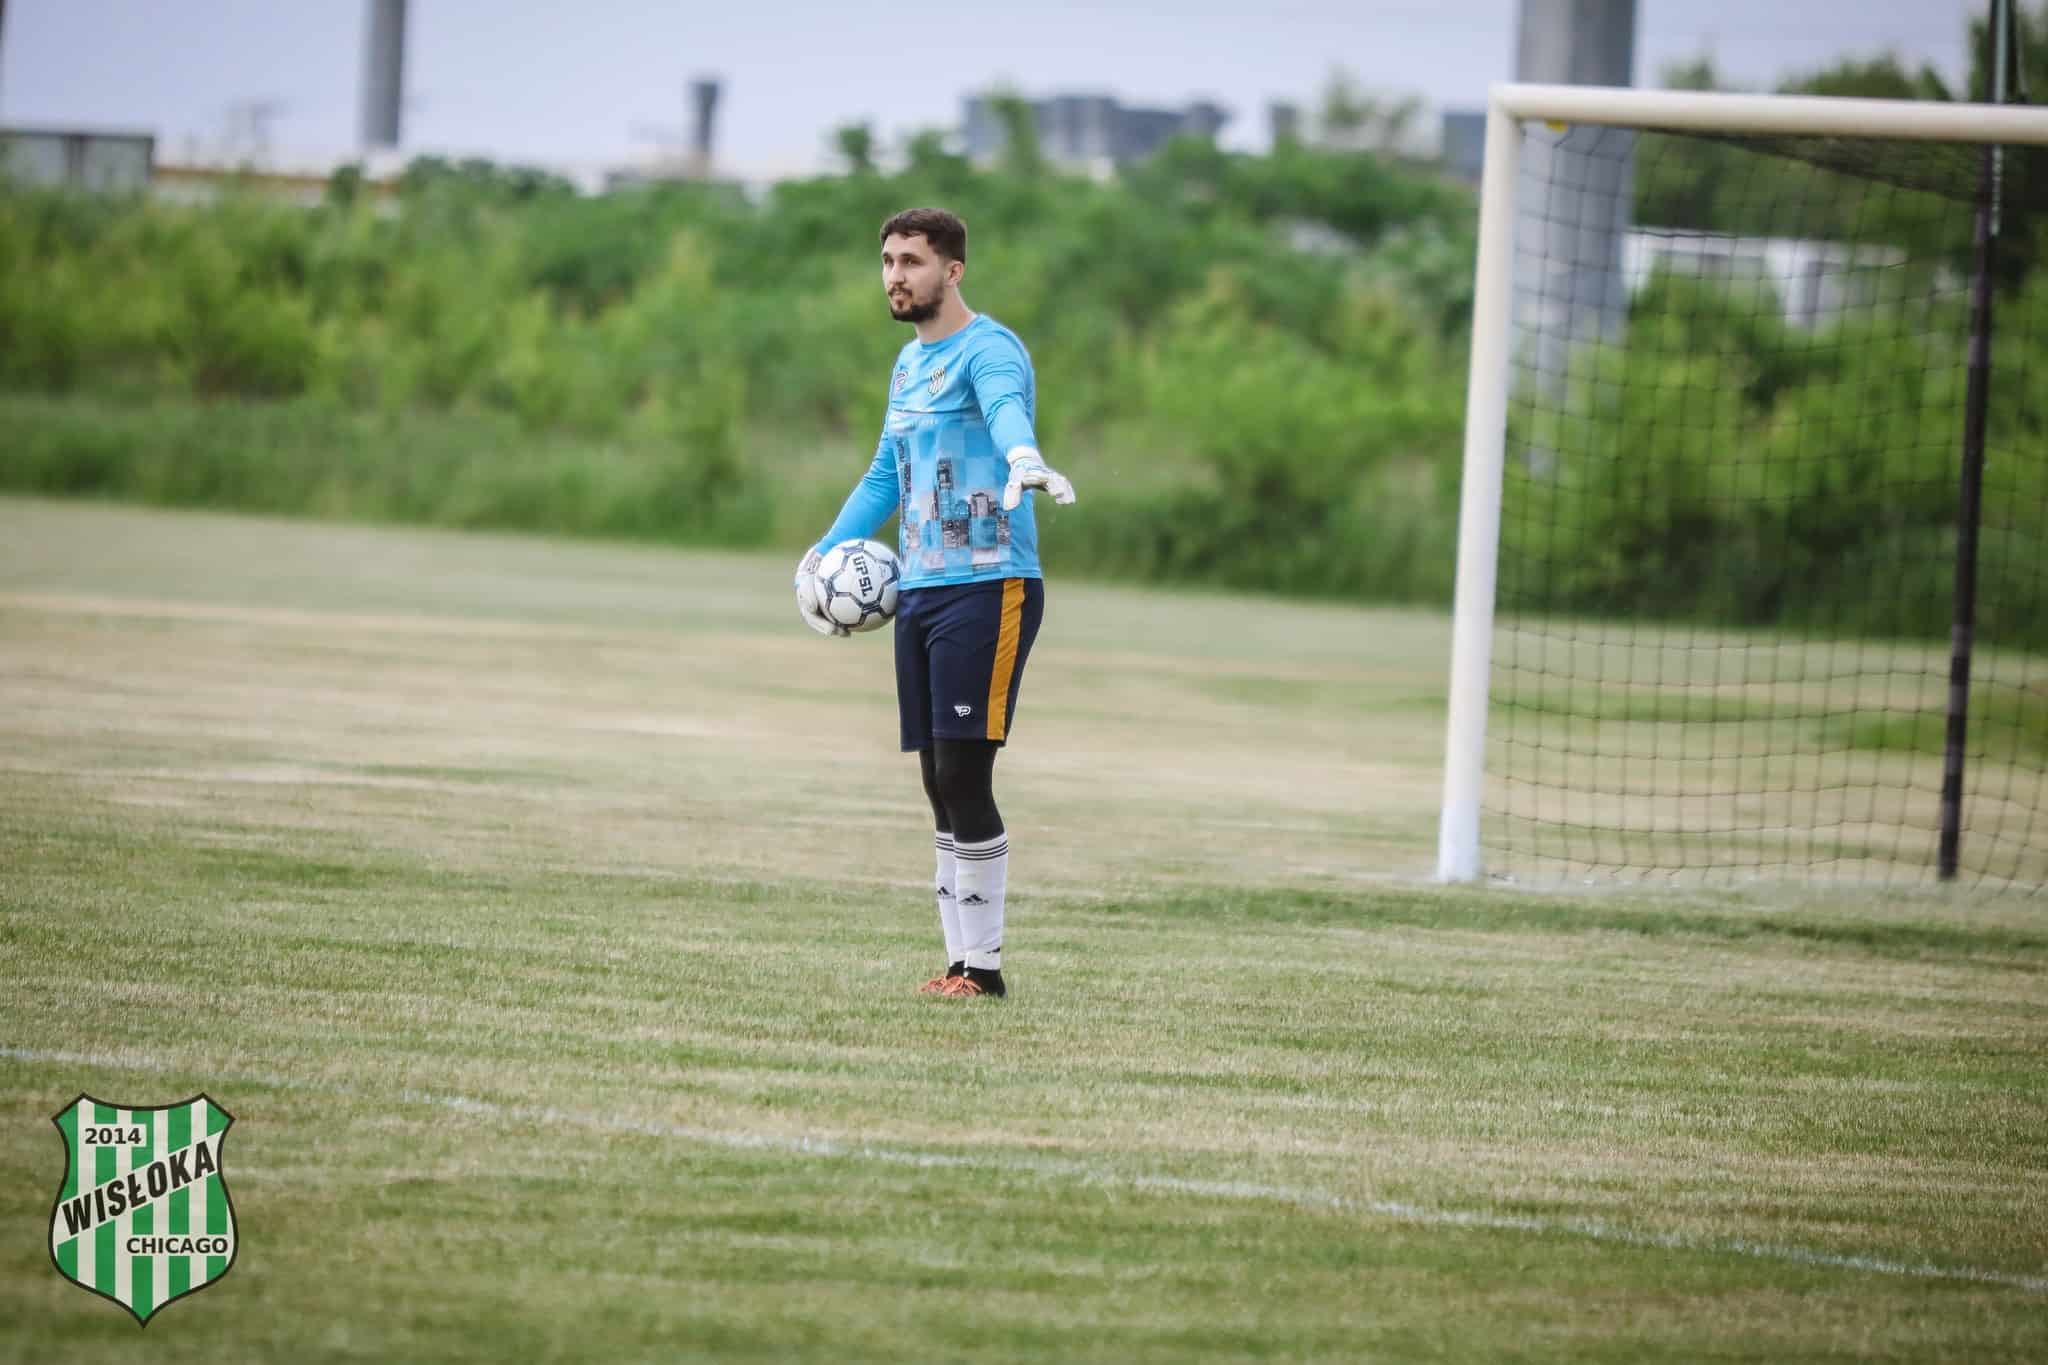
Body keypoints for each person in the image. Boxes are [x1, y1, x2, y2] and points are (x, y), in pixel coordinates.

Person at [795, 207, 1076, 1000]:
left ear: (952, 271)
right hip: (919, 589)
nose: (895, 275)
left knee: (963, 770)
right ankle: (958, 964)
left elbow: (1006, 407)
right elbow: (885, 473)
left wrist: (1024, 456)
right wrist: (823, 551)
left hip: (989, 584)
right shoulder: (907, 365)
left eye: (911, 261)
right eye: (888, 260)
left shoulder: (989, 348)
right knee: (935, 779)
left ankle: (984, 972)